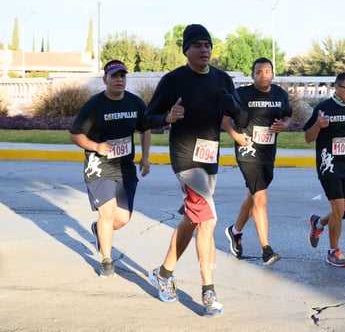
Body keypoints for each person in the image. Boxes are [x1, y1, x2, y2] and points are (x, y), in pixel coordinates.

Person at [144, 24, 248, 317]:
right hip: (185, 158)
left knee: (193, 219)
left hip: (209, 158)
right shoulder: (173, 81)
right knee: (209, 220)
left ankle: (163, 273)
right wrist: (167, 116)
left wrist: (234, 107)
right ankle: (209, 293)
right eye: (198, 45)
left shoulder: (222, 79)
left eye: (208, 45)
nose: (204, 50)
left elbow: (242, 118)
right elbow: (147, 119)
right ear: (186, 50)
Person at [69, 60, 151, 277]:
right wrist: (96, 146)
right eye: (114, 76)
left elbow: (145, 129)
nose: (119, 80)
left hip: (125, 168)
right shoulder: (95, 106)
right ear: (105, 79)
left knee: (122, 218)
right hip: (100, 167)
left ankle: (99, 230)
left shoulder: (135, 103)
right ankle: (107, 260)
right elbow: (75, 134)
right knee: (107, 213)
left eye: (122, 76)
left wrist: (145, 157)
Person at [222, 57, 292, 266]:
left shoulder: (280, 94)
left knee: (254, 196)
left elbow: (288, 116)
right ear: (252, 75)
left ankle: (234, 232)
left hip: (268, 152)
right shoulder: (241, 94)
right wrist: (235, 136)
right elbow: (224, 119)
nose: (263, 75)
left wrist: (284, 125)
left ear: (272, 74)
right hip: (247, 151)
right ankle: (266, 250)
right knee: (260, 199)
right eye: (258, 72)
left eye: (266, 71)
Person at [303, 72, 345, 267]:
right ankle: (333, 251)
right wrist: (318, 125)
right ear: (336, 88)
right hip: (327, 163)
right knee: (337, 209)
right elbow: (308, 137)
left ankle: (318, 224)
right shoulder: (323, 107)